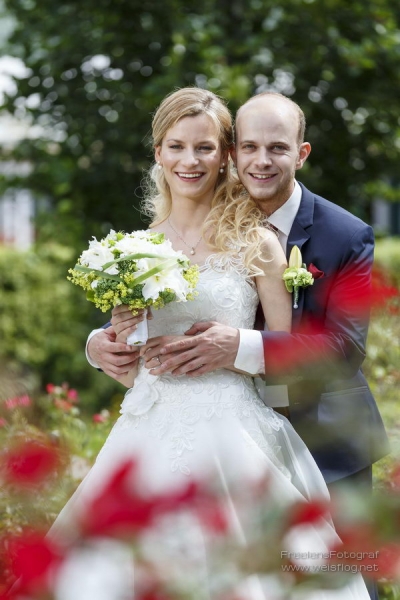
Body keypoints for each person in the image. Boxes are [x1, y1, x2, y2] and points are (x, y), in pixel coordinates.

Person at [72, 87, 372, 599]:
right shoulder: (139, 247)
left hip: (292, 427)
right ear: (159, 152)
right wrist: (102, 342)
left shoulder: (315, 237)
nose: (190, 160)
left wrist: (237, 348)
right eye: (176, 147)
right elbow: (137, 345)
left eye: (204, 148)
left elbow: (337, 348)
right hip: (152, 427)